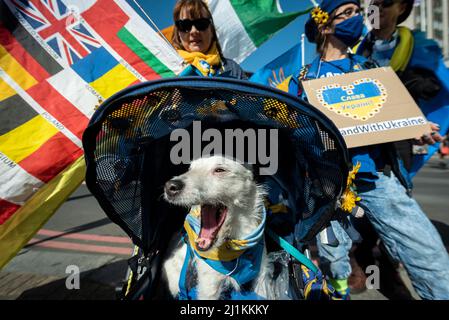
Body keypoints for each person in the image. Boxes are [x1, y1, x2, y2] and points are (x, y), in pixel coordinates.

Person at [282, 0, 449, 300]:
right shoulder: (304, 79)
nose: (358, 18)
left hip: (376, 180)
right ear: (326, 25)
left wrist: (417, 130)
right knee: (334, 259)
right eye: (347, 13)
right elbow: (292, 134)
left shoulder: (372, 69)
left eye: (359, 12)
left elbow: (394, 116)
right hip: (326, 184)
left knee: (429, 255)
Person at [172, 0, 247, 80]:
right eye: (185, 25)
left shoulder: (232, 69)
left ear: (211, 30)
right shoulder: (170, 68)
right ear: (178, 34)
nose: (194, 31)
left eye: (201, 23)